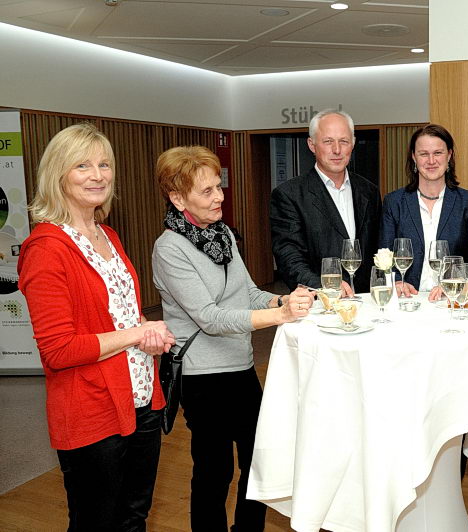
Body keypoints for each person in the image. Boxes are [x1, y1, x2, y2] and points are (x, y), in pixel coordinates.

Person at [17, 123, 175, 531]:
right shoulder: (46, 249)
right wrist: (136, 334)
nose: (98, 175)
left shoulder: (108, 235)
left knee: (134, 518)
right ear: (58, 174)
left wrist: (147, 331)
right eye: (82, 166)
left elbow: (120, 315)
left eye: (104, 165)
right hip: (90, 410)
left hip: (142, 399)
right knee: (96, 523)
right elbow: (59, 350)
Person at [152, 146, 312, 531]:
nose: (219, 197)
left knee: (258, 464)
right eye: (206, 191)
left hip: (240, 367)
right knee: (215, 470)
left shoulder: (222, 234)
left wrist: (283, 300)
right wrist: (280, 316)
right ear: (178, 198)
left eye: (218, 187)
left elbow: (248, 293)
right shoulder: (169, 248)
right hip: (201, 376)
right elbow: (210, 318)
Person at [270, 109, 382, 294]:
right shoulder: (289, 195)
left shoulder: (369, 191)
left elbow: (377, 247)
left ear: (353, 144)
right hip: (320, 302)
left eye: (344, 141)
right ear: (312, 145)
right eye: (328, 141)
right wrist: (325, 288)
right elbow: (289, 258)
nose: (337, 150)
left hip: (367, 300)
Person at [380, 123, 468, 296]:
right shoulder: (394, 202)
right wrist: (396, 281)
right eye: (423, 154)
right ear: (414, 157)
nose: (431, 161)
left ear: (449, 155)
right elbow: (384, 255)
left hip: (451, 299)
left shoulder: (467, 202)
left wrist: (457, 284)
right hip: (408, 299)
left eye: (438, 153)